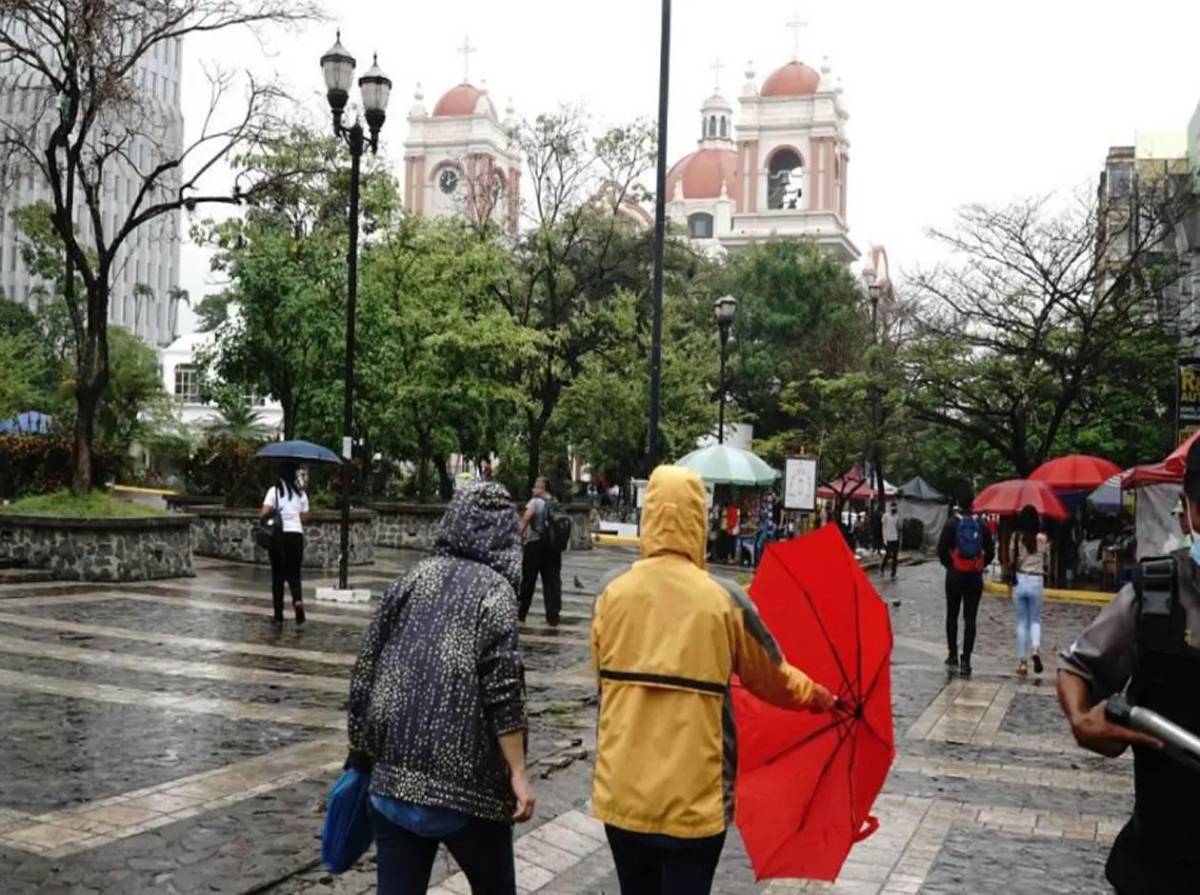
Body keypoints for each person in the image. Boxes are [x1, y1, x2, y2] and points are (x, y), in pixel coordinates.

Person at [590, 466, 837, 895]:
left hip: (622, 794)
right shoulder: (723, 600)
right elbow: (772, 677)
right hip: (695, 802)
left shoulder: (611, 593)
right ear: (698, 521)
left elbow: (599, 676)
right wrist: (815, 695)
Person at [345, 481, 534, 894]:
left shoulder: (410, 580)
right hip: (470, 794)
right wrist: (518, 773)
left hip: (393, 782)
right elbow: (503, 691)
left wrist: (360, 753)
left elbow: (365, 672)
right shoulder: (495, 593)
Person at [1056, 438, 1200, 893]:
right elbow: (1078, 666)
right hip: (1159, 864)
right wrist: (1081, 720)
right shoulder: (1154, 594)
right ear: (1190, 510)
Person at [938, 503, 995, 676]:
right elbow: (991, 552)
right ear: (972, 504)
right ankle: (966, 659)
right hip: (974, 578)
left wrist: (952, 566)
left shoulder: (951, 524)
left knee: (952, 616)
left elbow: (941, 550)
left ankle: (952, 654)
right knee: (970, 619)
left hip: (954, 578)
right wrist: (979, 565)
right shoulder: (982, 525)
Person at [261, 462, 309, 625]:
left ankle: (278, 614)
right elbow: (304, 517)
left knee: (278, 575)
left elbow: (265, 512)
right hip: (296, 535)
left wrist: (277, 511)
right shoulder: (301, 494)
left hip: (279, 537)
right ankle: (297, 601)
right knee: (294, 573)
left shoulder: (274, 491)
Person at [517, 477, 563, 627]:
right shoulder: (555, 502)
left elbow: (525, 520)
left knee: (528, 581)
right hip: (553, 548)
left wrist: (517, 536)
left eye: (536, 487)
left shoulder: (535, 502)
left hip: (535, 545)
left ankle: (521, 615)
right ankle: (553, 617)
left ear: (543, 488)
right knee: (551, 582)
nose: (533, 490)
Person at [1010, 504, 1050, 676]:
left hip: (1020, 579)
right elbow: (1047, 561)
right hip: (1036, 580)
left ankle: (1023, 663)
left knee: (1021, 622)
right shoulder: (1043, 539)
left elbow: (1012, 559)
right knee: (1035, 620)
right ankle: (1035, 649)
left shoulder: (1016, 537)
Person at [881, 503, 901, 579]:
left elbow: (897, 528)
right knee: (888, 555)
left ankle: (893, 573)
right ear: (890, 508)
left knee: (895, 557)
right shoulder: (885, 516)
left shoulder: (897, 517)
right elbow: (883, 528)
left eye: (895, 509)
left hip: (895, 538)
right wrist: (884, 539)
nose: (894, 510)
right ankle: (882, 568)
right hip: (888, 539)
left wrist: (898, 537)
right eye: (893, 509)